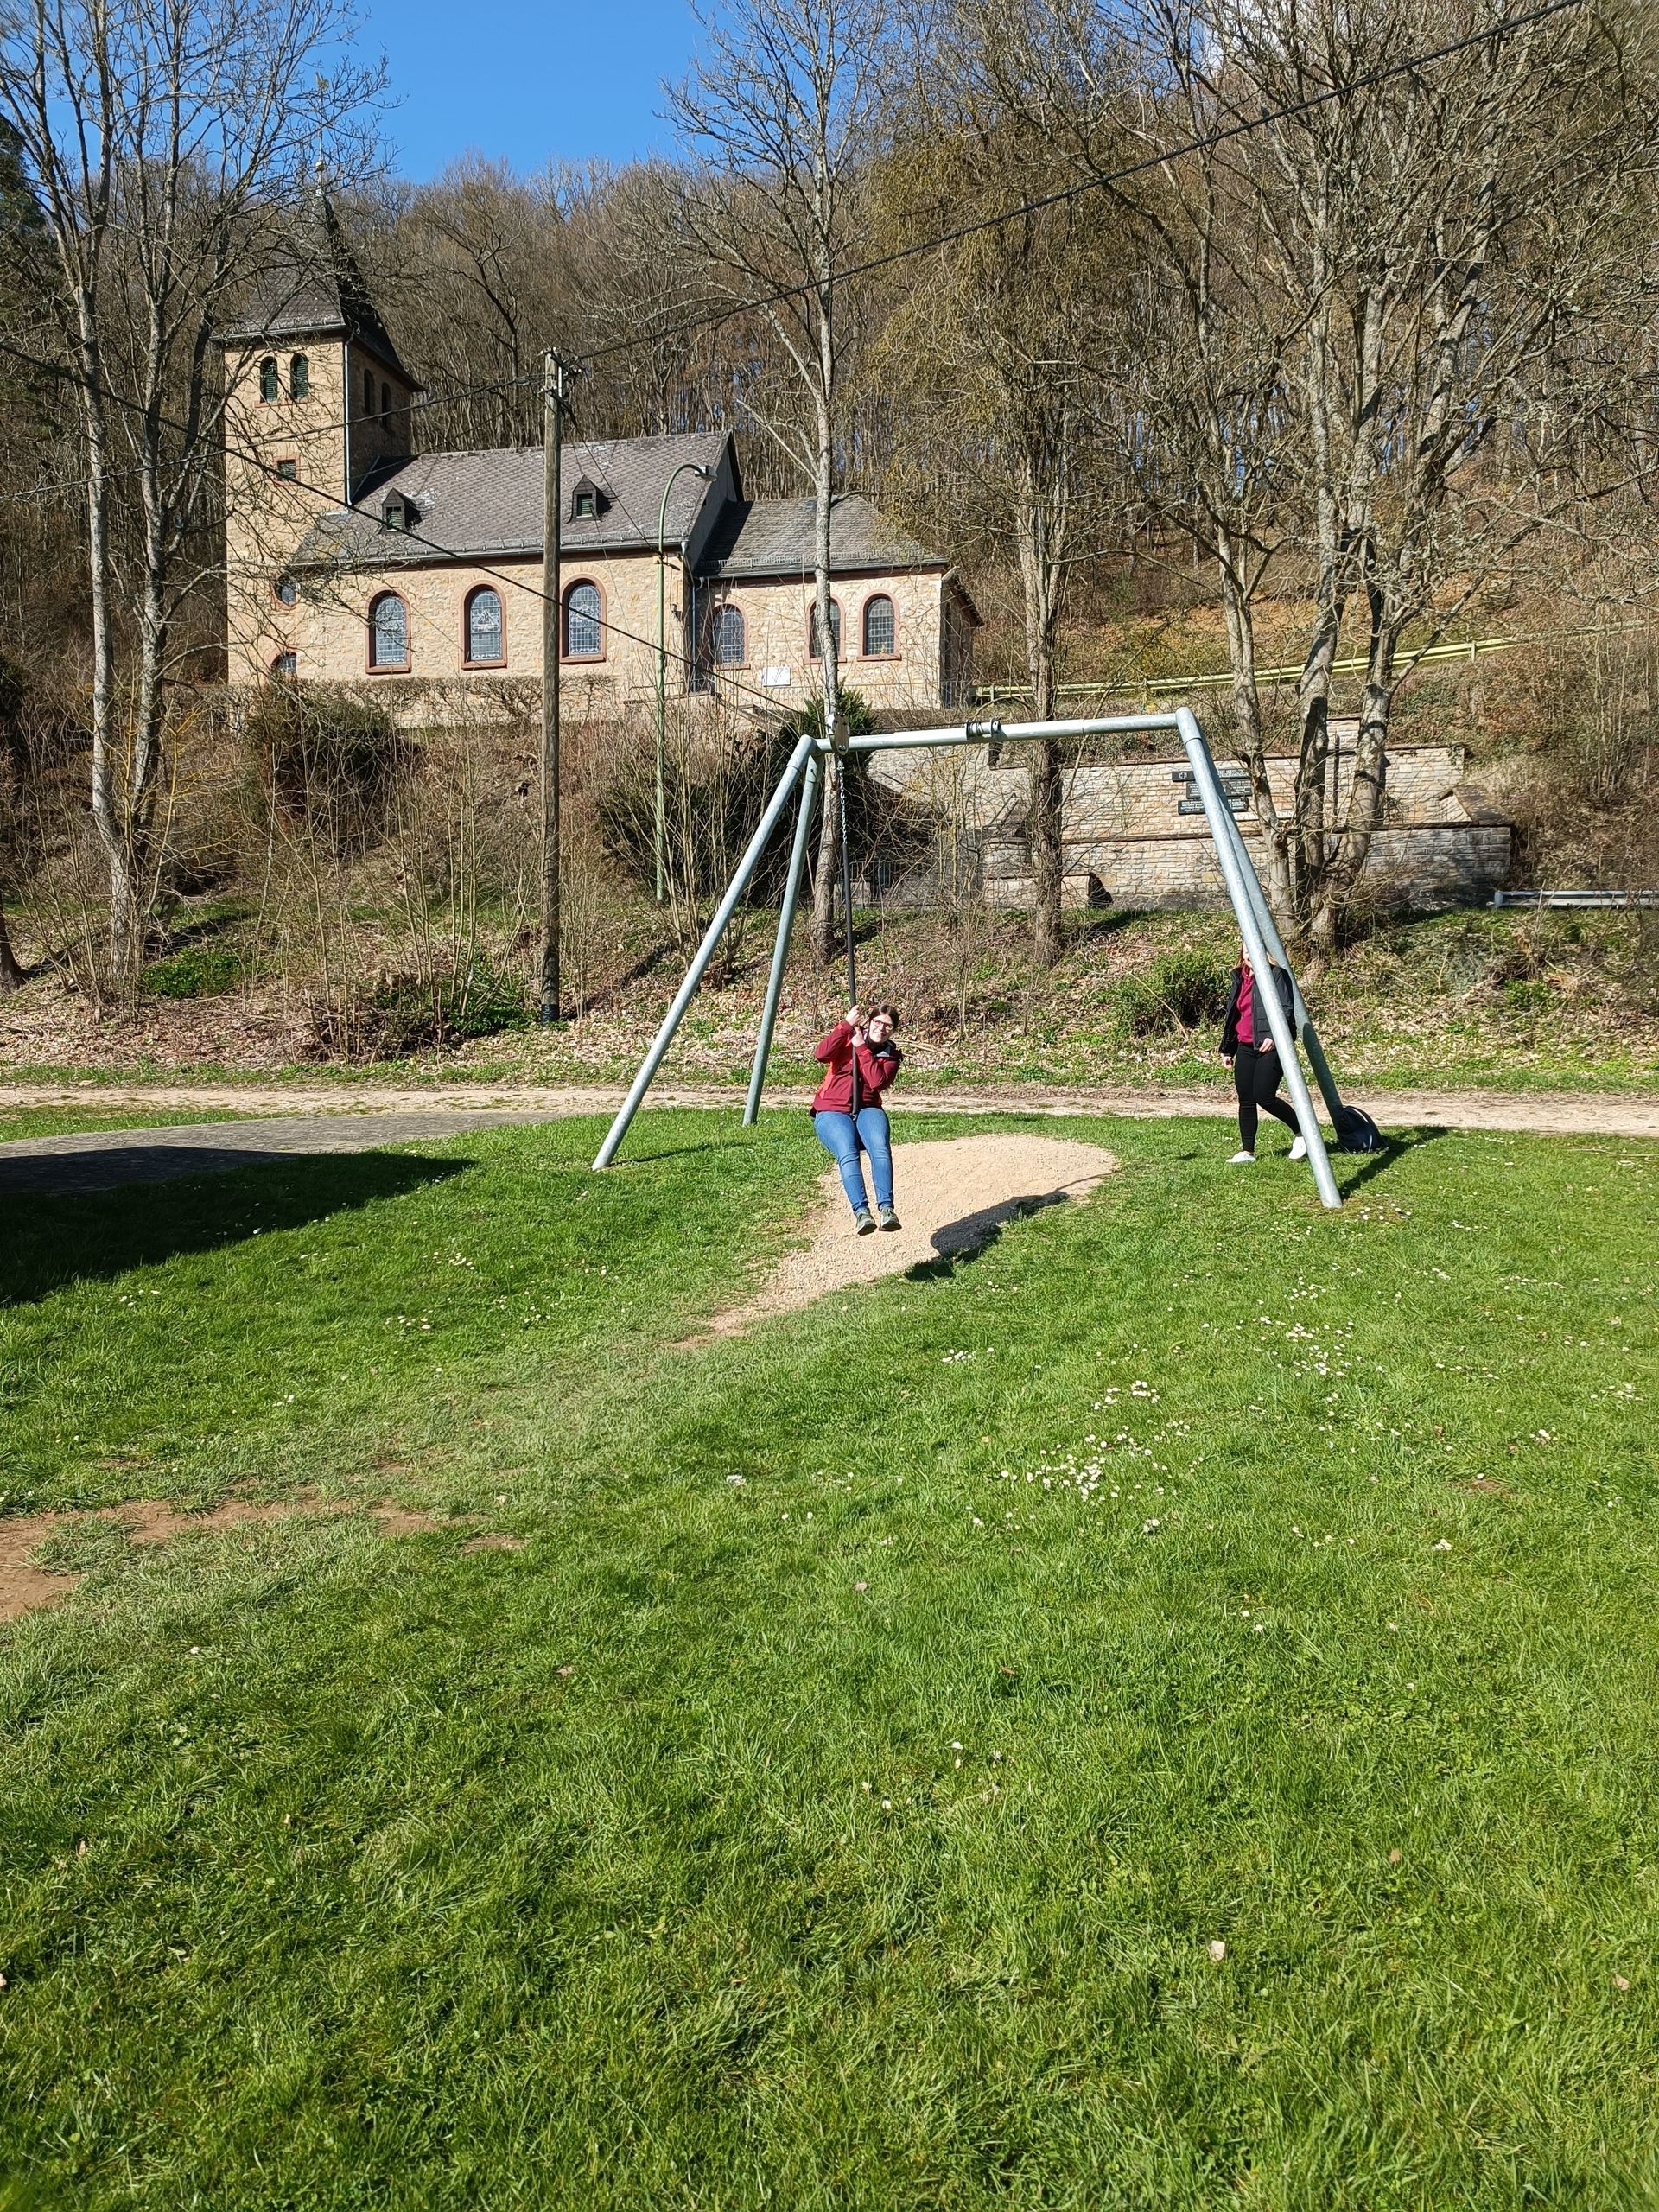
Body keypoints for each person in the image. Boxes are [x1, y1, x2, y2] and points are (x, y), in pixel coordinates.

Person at [812, 1002, 903, 1234]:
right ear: (869, 1022)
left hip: (868, 1108)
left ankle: (887, 1209)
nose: (881, 1029)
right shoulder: (847, 1035)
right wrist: (846, 1025)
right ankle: (862, 1212)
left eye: (888, 1026)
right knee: (847, 1150)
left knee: (880, 1148)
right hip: (831, 1109)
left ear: (893, 1031)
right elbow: (820, 1054)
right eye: (877, 1022)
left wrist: (861, 1047)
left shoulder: (891, 1055)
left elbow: (877, 1082)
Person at [1220, 946, 1307, 1166]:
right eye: (1245, 952)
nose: (1249, 955)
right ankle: (1247, 1152)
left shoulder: (1276, 974)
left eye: (1253, 950)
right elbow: (1234, 1015)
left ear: (1262, 950)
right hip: (1245, 1046)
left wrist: (1274, 1036)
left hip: (1271, 1046)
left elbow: (1286, 1009)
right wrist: (1228, 1049)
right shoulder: (1239, 977)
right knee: (1246, 1099)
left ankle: (1303, 1134)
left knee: (1264, 1096)